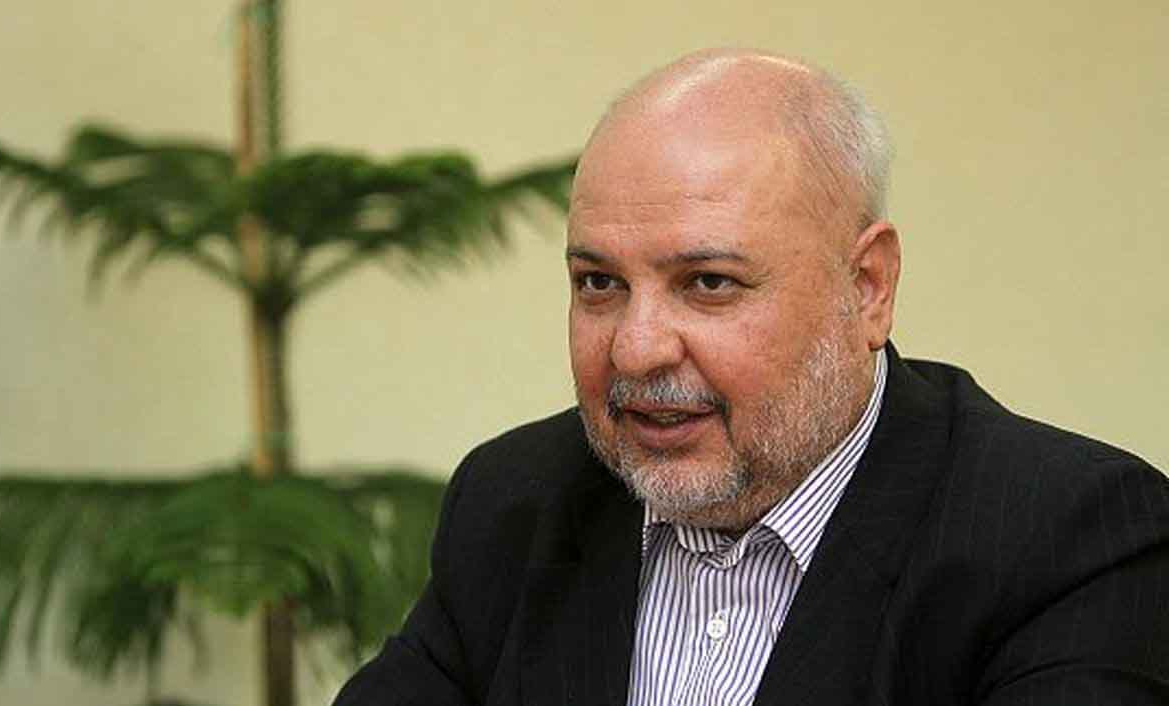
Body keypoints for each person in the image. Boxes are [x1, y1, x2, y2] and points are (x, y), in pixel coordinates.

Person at [333, 49, 1169, 705]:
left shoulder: (1070, 539)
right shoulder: (516, 503)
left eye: (708, 283)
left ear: (867, 288)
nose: (636, 349)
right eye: (599, 283)